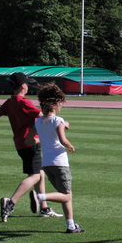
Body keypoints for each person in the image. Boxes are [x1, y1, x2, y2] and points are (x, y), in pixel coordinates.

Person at [0, 72, 59, 221]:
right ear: (23, 86)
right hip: (31, 142)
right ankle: (11, 202)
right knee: (35, 176)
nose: (28, 86)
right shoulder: (24, 102)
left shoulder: (9, 102)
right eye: (27, 84)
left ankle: (44, 208)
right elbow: (43, 116)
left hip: (19, 144)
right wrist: (55, 115)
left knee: (39, 174)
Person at [34, 83, 83, 233]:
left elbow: (32, 139)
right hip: (60, 162)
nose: (61, 106)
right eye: (61, 103)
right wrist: (70, 146)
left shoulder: (38, 121)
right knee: (66, 195)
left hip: (47, 163)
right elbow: (62, 139)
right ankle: (40, 198)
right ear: (55, 104)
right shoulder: (58, 120)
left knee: (65, 194)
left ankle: (71, 225)